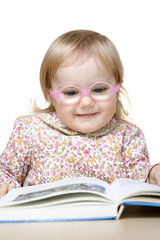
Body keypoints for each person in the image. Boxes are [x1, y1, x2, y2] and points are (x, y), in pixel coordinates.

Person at [0, 29, 160, 199]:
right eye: (71, 93)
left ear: (117, 88)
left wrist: (155, 172)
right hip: (42, 222)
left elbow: (140, 178)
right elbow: (6, 172)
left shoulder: (127, 136)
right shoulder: (31, 131)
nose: (86, 102)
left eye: (99, 89)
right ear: (51, 95)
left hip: (108, 223)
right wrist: (5, 186)